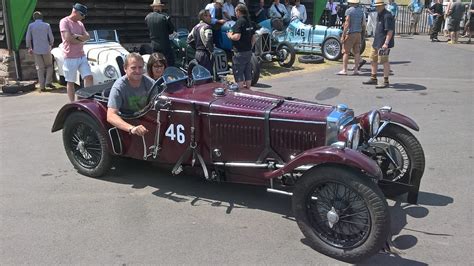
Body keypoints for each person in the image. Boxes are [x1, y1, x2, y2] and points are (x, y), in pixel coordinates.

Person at [107, 53, 154, 137]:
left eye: (140, 67)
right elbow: (110, 115)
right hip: (128, 121)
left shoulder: (150, 83)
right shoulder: (119, 87)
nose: (138, 71)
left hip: (146, 119)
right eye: (133, 68)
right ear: (125, 68)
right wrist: (132, 128)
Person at [59, 3, 92, 102]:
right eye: (82, 15)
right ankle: (72, 102)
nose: (83, 18)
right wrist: (81, 38)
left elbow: (87, 36)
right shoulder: (64, 21)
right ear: (75, 12)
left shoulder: (80, 24)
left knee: (89, 77)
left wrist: (76, 36)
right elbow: (68, 38)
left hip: (81, 55)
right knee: (71, 82)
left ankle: (87, 99)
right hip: (70, 56)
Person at [362, 0, 394, 89]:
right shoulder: (379, 14)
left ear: (383, 6)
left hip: (383, 43)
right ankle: (373, 78)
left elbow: (390, 30)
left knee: (384, 61)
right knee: (373, 59)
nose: (376, 7)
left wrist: (386, 43)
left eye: (378, 6)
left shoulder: (387, 15)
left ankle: (386, 81)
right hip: (377, 41)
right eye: (376, 6)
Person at [227, 4, 256, 89]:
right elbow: (254, 37)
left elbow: (237, 37)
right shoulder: (249, 21)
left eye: (236, 11)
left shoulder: (239, 22)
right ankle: (248, 89)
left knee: (238, 72)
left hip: (239, 52)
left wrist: (229, 36)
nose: (235, 13)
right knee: (247, 72)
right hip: (248, 51)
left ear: (238, 11)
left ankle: (241, 92)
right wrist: (250, 47)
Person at [25, 11, 54, 92]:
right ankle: (48, 82)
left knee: (40, 68)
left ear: (34, 18)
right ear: (42, 17)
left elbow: (28, 38)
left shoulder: (31, 26)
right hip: (46, 48)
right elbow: (51, 37)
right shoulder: (46, 25)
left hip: (36, 49)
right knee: (49, 66)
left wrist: (30, 47)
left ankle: (42, 87)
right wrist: (51, 44)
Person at [337, 0, 365, 75]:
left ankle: (344, 70)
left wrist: (343, 35)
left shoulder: (349, 11)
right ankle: (356, 69)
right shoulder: (361, 11)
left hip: (351, 33)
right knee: (357, 52)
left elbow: (347, 24)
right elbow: (363, 24)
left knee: (346, 52)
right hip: (358, 33)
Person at [145, 0, 176, 66]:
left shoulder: (147, 17)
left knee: (156, 62)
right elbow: (171, 31)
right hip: (164, 45)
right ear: (159, 7)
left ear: (153, 8)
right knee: (169, 62)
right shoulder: (164, 17)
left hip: (154, 44)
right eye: (161, 7)